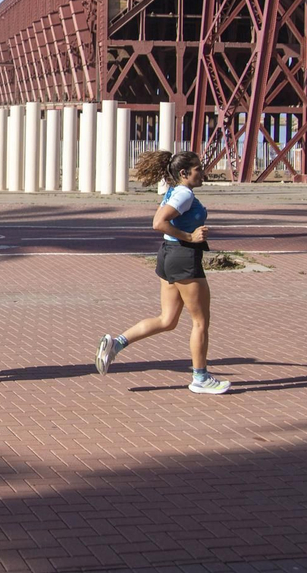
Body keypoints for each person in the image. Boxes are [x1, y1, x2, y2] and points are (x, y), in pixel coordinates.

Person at [93, 149, 229, 394]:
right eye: (198, 169)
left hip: (169, 254)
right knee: (200, 322)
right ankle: (200, 378)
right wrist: (191, 235)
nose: (203, 173)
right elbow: (159, 222)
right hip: (183, 256)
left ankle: (116, 344)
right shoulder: (184, 193)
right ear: (184, 173)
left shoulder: (174, 191)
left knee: (167, 320)